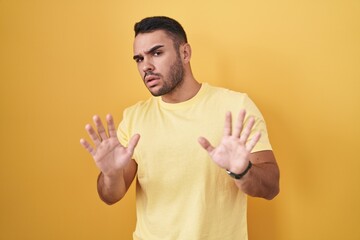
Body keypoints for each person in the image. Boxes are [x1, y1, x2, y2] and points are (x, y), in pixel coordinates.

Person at [80, 16, 280, 240]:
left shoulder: (235, 107)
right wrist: (111, 174)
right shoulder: (134, 117)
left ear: (185, 53)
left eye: (157, 53)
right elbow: (110, 195)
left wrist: (242, 170)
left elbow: (271, 187)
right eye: (139, 58)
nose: (146, 66)